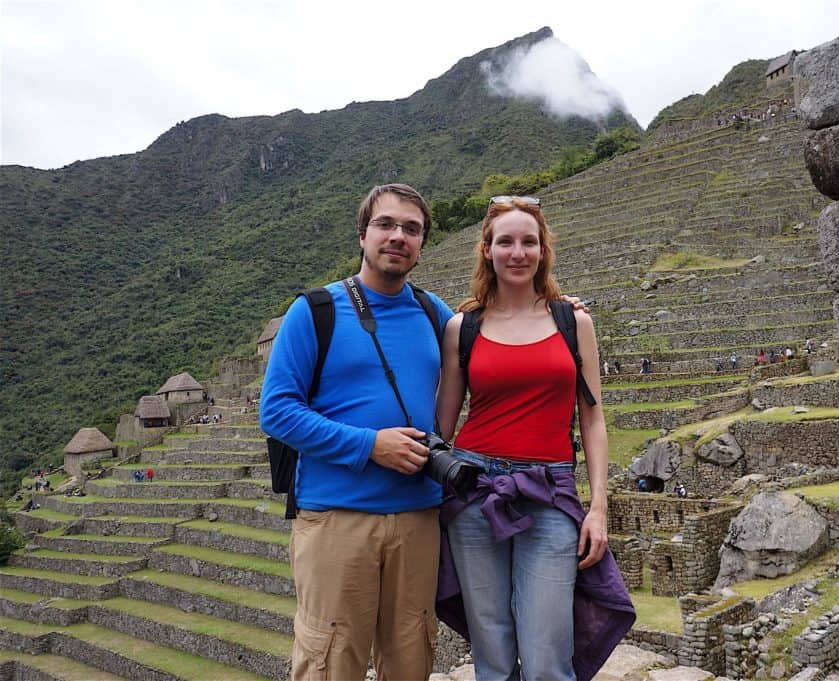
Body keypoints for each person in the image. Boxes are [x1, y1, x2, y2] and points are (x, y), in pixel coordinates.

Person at [260, 184, 455, 680]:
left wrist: (561, 308)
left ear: (423, 243)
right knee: (331, 659)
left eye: (411, 229)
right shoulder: (316, 311)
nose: (398, 236)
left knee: (412, 656)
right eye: (386, 225)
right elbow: (277, 411)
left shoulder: (435, 314)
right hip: (336, 520)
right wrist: (371, 446)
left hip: (417, 520)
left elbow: (501, 336)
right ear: (362, 236)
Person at [435, 196, 633, 681]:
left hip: (550, 491)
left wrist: (599, 507)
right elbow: (442, 425)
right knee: (493, 650)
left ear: (544, 251)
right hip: (476, 492)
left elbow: (593, 419)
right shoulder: (464, 328)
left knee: (548, 654)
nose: (517, 252)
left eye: (529, 242)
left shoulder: (573, 322)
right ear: (487, 250)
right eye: (506, 242)